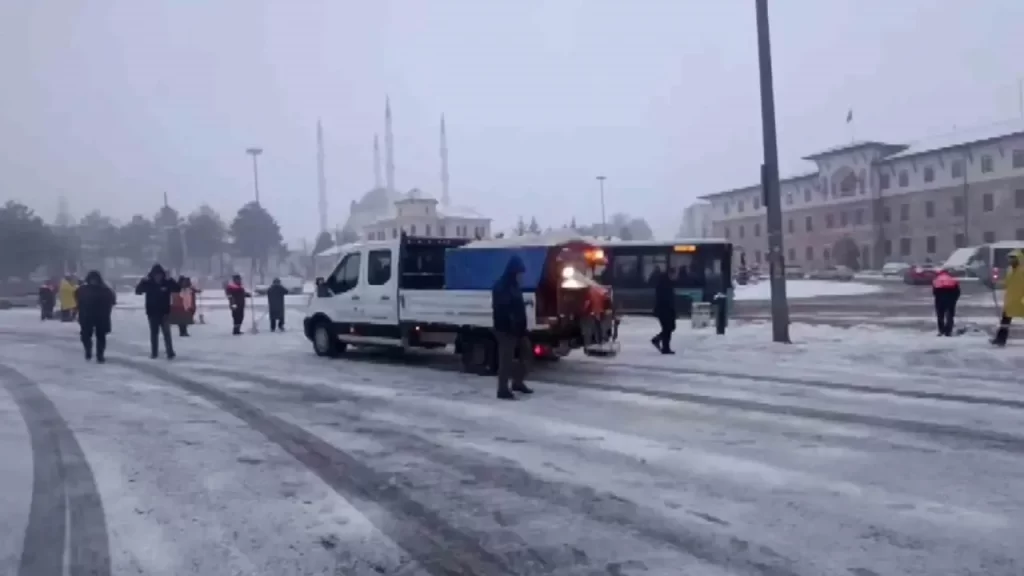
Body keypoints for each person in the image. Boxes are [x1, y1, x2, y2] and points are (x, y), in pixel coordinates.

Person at [491, 255, 532, 400]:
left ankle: (518, 382)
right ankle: (502, 390)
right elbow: (503, 309)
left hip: (518, 329)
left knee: (526, 353)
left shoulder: (514, 285)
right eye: (520, 272)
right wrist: (512, 323)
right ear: (514, 271)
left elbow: (516, 306)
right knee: (506, 359)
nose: (522, 276)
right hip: (506, 329)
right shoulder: (501, 286)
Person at [135, 264, 179, 359]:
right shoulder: (148, 283)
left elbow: (177, 289)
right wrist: (142, 282)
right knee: (154, 334)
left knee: (167, 333)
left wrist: (170, 280)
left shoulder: (166, 282)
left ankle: (169, 351)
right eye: (156, 275)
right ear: (152, 275)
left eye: (159, 275)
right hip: (152, 312)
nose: (158, 277)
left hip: (164, 312)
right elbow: (138, 291)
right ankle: (154, 352)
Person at [75, 270, 116, 363]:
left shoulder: (105, 290)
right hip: (86, 315)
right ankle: (88, 351)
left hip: (101, 316)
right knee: (85, 336)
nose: (94, 281)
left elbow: (112, 300)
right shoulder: (83, 290)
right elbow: (78, 301)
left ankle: (100, 355)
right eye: (92, 279)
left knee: (101, 337)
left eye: (95, 279)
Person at [992, 250, 1024, 347]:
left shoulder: (1022, 270)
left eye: (1013, 258)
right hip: (1011, 301)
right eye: (1010, 258)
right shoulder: (1010, 271)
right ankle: (1000, 339)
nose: (1010, 260)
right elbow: (1007, 283)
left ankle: (1000, 339)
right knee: (1005, 321)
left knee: (1005, 320)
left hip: (1021, 300)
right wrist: (995, 284)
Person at [651, 266, 677, 354]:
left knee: (668, 328)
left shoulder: (665, 283)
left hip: (665, 310)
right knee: (668, 328)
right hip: (665, 310)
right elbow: (666, 298)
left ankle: (660, 342)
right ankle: (664, 347)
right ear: (670, 274)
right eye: (674, 275)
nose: (675, 277)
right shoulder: (665, 284)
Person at [931, 268, 961, 337]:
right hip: (950, 300)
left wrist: (938, 297)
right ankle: (948, 331)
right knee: (950, 316)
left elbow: (934, 292)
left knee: (940, 316)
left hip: (940, 301)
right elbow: (957, 292)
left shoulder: (937, 280)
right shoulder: (952, 280)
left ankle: (941, 330)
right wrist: (954, 299)